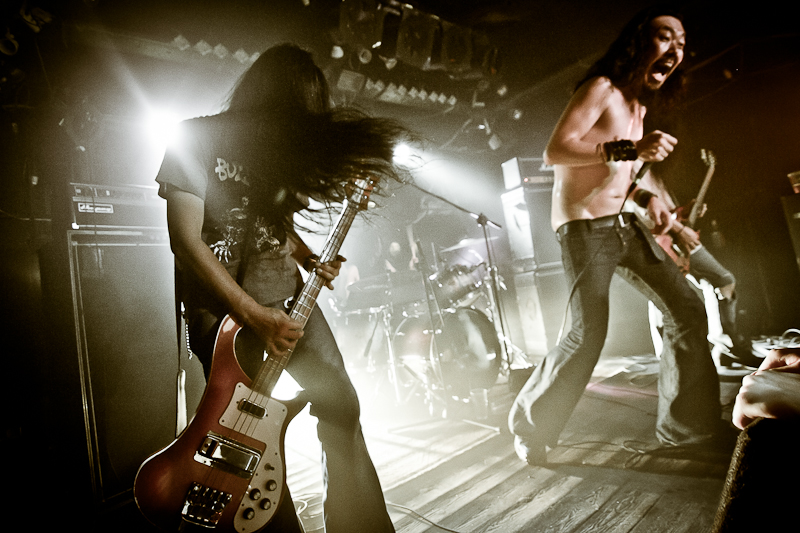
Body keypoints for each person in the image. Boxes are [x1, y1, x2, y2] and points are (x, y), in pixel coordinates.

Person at [156, 43, 409, 532]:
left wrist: (308, 256)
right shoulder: (195, 137)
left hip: (292, 302)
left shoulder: (273, 149)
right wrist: (252, 313)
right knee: (246, 440)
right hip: (226, 314)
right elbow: (185, 242)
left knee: (341, 401)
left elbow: (271, 222)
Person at [509, 6, 730, 466]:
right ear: (638, 44)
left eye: (683, 43)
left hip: (623, 225)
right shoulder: (601, 89)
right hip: (584, 228)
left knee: (686, 308)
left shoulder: (639, 108)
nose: (676, 49)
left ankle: (686, 431)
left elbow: (616, 175)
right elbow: (556, 151)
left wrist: (645, 197)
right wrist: (634, 148)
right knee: (587, 333)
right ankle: (529, 426)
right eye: (665, 37)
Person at [639, 167, 762, 368]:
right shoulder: (634, 167)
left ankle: (723, 343)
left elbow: (668, 212)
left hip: (679, 237)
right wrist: (679, 228)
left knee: (723, 280)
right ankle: (667, 359)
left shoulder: (659, 173)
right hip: (657, 241)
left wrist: (685, 211)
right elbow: (642, 215)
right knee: (662, 295)